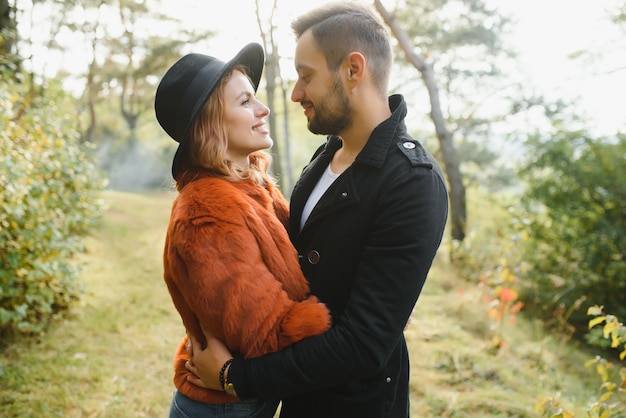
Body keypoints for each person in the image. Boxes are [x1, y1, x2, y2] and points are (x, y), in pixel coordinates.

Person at [184, 2, 449, 417]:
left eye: (306, 76)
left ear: (353, 70)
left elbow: (364, 346)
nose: (295, 93)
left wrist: (237, 377)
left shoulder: (412, 182)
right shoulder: (326, 157)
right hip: (298, 398)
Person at [154, 43, 332, 418]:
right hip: (222, 408)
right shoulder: (206, 210)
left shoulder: (252, 185)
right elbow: (267, 335)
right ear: (212, 121)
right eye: (245, 102)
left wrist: (381, 293)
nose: (263, 109)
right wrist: (363, 321)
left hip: (246, 398)